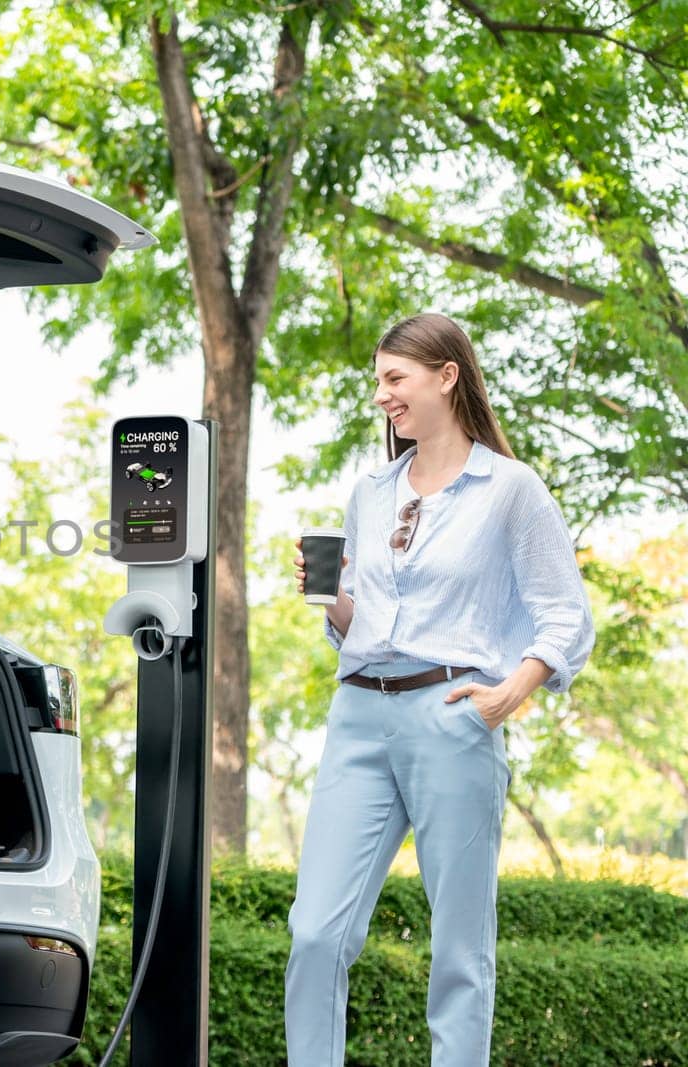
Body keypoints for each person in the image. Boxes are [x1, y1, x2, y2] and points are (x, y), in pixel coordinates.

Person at [284, 313, 595, 1066]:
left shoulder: (510, 490)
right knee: (316, 930)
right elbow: (362, 626)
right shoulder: (372, 489)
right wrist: (328, 596)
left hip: (453, 713)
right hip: (359, 711)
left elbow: (566, 615)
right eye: (379, 380)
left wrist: (507, 694)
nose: (383, 395)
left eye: (396, 378)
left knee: (459, 945)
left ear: (446, 376)